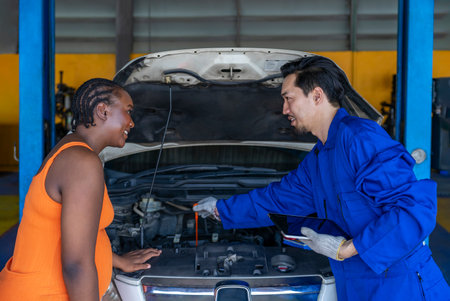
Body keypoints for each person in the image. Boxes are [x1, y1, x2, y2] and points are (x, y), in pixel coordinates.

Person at [194, 56, 450, 300]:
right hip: (357, 283)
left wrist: (347, 248)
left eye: (288, 98)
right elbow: (278, 200)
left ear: (317, 96)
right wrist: (221, 209)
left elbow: (414, 209)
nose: (284, 109)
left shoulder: (361, 139)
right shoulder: (319, 158)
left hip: (400, 284)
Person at [0, 78, 161, 301]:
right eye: (128, 111)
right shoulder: (82, 162)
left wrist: (117, 260)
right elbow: (76, 264)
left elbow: (77, 233)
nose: (131, 123)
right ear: (103, 111)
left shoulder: (71, 151)